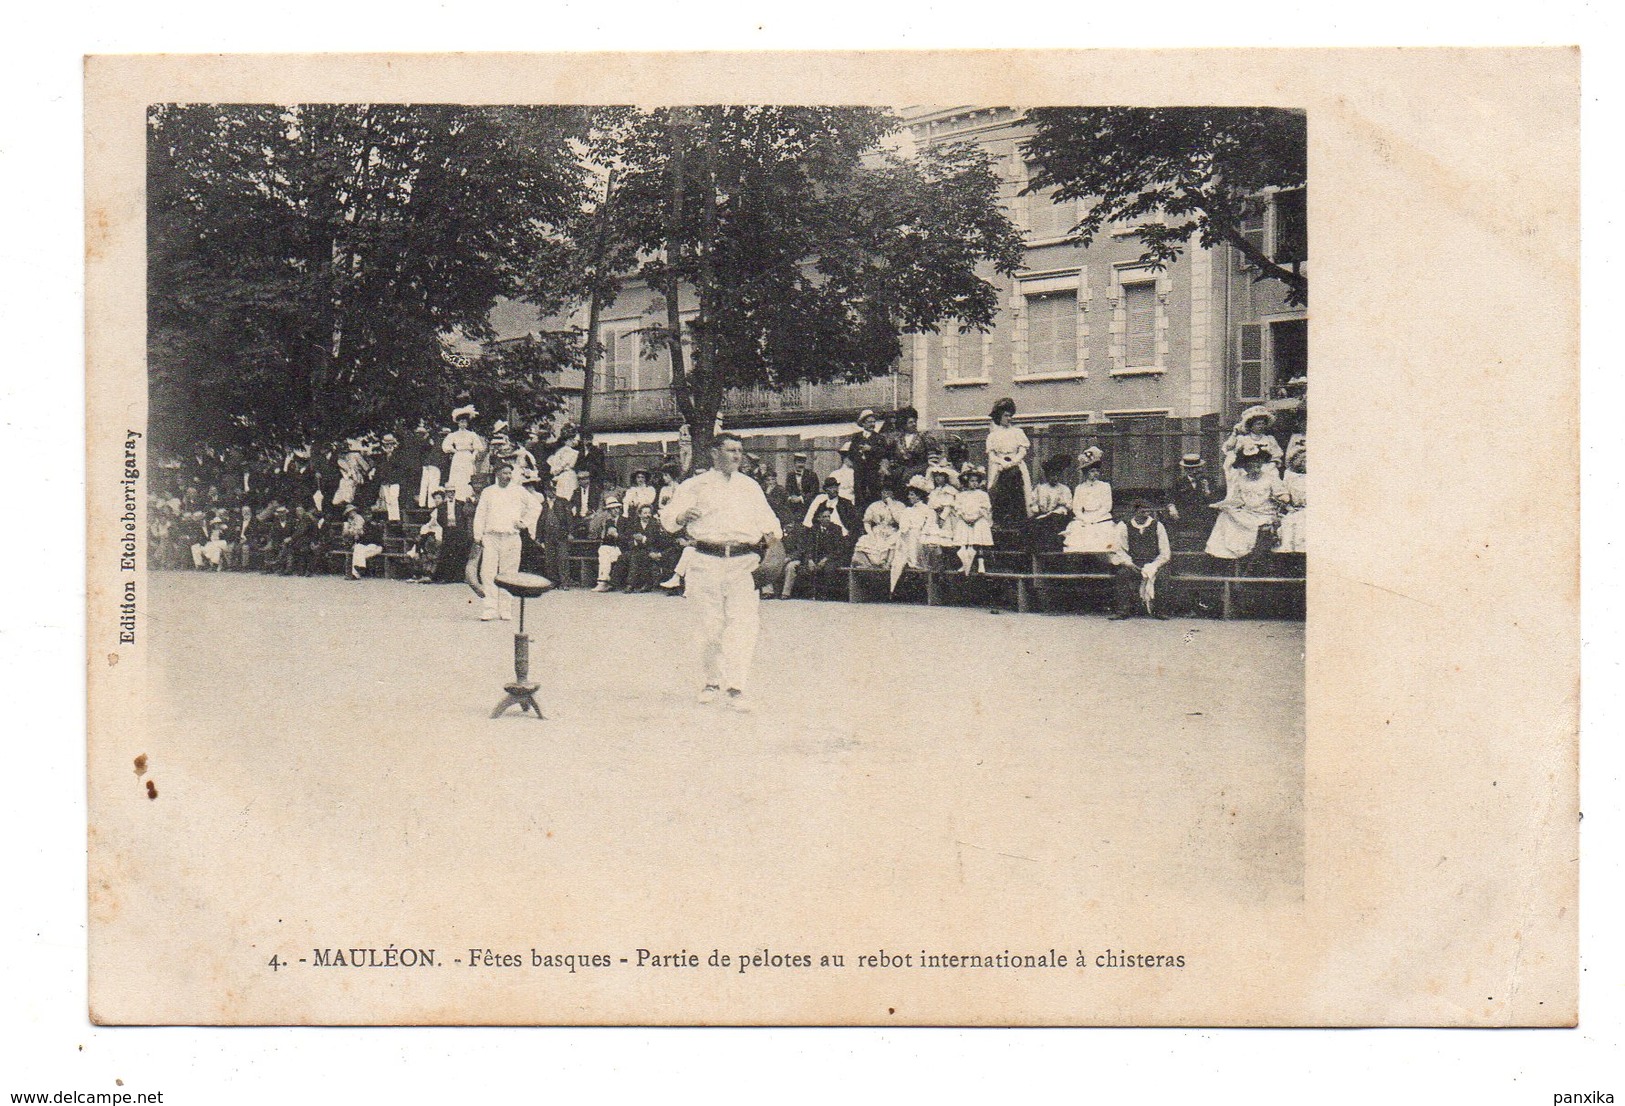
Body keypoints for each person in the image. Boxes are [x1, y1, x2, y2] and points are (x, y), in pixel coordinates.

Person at [659, 433, 783, 711]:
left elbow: (770, 522)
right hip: (706, 560)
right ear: (715, 453)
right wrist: (681, 517)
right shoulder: (695, 485)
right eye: (731, 450)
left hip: (743, 562)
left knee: (743, 623)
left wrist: (775, 546)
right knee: (709, 626)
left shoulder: (750, 486)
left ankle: (736, 686)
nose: (737, 456)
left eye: (740, 451)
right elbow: (668, 520)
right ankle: (711, 681)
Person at [472, 458, 541, 620]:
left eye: (510, 473)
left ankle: (505, 609)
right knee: (487, 573)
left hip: (511, 537)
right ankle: (490, 608)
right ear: (497, 474)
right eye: (504, 473)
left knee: (509, 574)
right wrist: (478, 535)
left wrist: (524, 522)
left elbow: (536, 506)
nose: (508, 476)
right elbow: (480, 514)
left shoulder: (518, 491)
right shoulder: (488, 492)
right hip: (491, 537)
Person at [1205, 443, 1288, 560]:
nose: (1254, 465)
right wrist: (1220, 505)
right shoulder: (1240, 480)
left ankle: (1245, 551)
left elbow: (1283, 496)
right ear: (1244, 465)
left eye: (1257, 461)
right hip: (1248, 513)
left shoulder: (1271, 478)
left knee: (1256, 526)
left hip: (1265, 514)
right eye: (1250, 462)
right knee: (1224, 516)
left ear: (1261, 463)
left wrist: (1282, 498)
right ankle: (1225, 554)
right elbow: (1236, 500)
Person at [1108, 500, 1173, 619]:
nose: (1146, 514)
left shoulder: (1158, 525)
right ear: (1135, 511)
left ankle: (1160, 610)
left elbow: (1165, 552)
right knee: (1122, 574)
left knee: (1163, 575)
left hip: (1154, 562)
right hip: (1133, 562)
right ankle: (1123, 610)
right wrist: (1129, 564)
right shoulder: (1124, 525)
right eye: (1142, 511)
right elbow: (1119, 549)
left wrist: (1154, 566)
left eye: (1148, 511)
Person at [985, 397, 1032, 545]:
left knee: (1018, 490)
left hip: (1015, 464)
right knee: (997, 491)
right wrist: (1001, 463)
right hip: (998, 465)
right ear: (999, 416)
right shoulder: (992, 435)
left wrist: (1013, 462)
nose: (1008, 418)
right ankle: (999, 521)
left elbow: (1023, 450)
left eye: (1010, 415)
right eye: (1005, 415)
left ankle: (1018, 520)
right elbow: (991, 454)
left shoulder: (1017, 432)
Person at [1061, 447, 1118, 556]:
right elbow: (1076, 508)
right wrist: (1085, 518)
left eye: (1097, 471)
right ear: (1086, 473)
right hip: (1084, 517)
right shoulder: (1080, 488)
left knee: (1103, 533)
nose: (1095, 473)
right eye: (1092, 471)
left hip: (1101, 517)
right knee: (1078, 530)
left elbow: (1107, 506)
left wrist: (1095, 517)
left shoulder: (1105, 486)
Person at [1165, 453, 1217, 549]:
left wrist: (1207, 490)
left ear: (1200, 468)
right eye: (1190, 469)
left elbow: (1215, 499)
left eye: (1196, 468)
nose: (1194, 471)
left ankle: (1209, 546)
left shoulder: (1208, 481)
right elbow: (1170, 497)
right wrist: (1172, 507)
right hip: (1184, 513)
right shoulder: (1179, 482)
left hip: (1203, 514)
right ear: (1185, 469)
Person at [950, 466, 994, 574]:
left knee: (978, 540)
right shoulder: (961, 495)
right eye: (971, 481)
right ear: (967, 482)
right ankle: (965, 563)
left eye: (976, 481)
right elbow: (958, 509)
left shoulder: (982, 494)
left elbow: (984, 509)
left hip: (978, 519)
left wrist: (975, 519)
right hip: (965, 520)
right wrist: (965, 518)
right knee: (963, 540)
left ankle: (980, 564)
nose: (974, 483)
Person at [1029, 455, 1073, 553]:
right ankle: (1036, 552)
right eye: (1052, 475)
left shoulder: (1064, 489)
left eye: (1057, 475)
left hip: (1057, 517)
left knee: (1051, 524)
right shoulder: (1040, 488)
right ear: (1047, 476)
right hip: (1042, 515)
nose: (1055, 477)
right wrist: (1037, 509)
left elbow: (1067, 506)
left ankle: (1051, 552)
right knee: (1032, 525)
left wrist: (1057, 511)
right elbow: (1033, 503)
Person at [847, 409, 886, 512]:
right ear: (863, 423)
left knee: (874, 496)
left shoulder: (879, 438)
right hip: (859, 472)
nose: (872, 424)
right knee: (859, 496)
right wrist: (857, 459)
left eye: (874, 422)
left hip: (873, 472)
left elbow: (884, 452)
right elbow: (851, 452)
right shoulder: (856, 437)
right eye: (869, 422)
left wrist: (871, 449)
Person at [442, 406, 484, 500]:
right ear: (458, 423)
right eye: (461, 422)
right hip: (458, 457)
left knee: (467, 476)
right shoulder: (454, 435)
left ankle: (467, 497)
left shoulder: (471, 434)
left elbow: (478, 447)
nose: (463, 424)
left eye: (465, 422)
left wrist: (474, 454)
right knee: (457, 477)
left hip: (468, 456)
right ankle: (456, 497)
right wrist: (454, 451)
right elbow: (445, 446)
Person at [1275, 448, 1307, 554]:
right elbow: (1284, 493)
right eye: (1302, 460)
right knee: (1289, 523)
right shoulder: (1290, 476)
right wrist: (1288, 505)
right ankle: (1292, 555)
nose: (1305, 463)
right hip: (1296, 509)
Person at [589, 495, 624, 591]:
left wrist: (617, 535)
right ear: (609, 511)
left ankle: (603, 582)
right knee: (604, 551)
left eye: (617, 508)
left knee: (604, 552)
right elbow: (594, 530)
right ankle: (604, 582)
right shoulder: (608, 521)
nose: (616, 510)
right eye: (612, 509)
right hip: (611, 549)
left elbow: (627, 537)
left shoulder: (625, 520)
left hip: (622, 548)